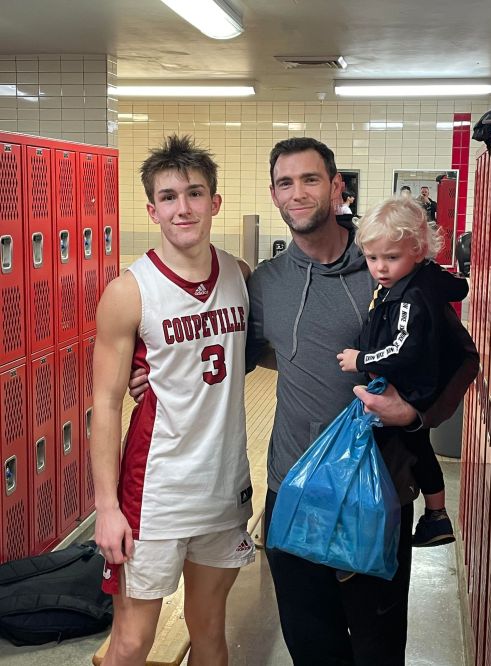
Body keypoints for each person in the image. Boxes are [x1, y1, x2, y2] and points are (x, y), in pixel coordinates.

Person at [130, 137, 478, 665]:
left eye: (311, 179)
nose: (298, 193)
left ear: (337, 187)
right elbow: (241, 355)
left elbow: (462, 359)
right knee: (312, 649)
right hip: (293, 488)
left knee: (377, 652)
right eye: (285, 183)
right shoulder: (267, 283)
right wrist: (152, 372)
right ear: (273, 194)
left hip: (375, 491)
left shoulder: (388, 265)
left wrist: (415, 414)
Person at [90, 134, 255, 666]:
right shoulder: (129, 291)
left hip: (223, 487)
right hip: (155, 493)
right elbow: (105, 404)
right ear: (152, 210)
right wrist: (106, 508)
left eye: (194, 193)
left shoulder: (239, 275)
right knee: (132, 641)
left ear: (215, 202)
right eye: (168, 197)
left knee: (209, 633)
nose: (182, 208)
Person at [337, 196, 478, 551]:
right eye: (372, 258)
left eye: (391, 257)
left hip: (411, 388)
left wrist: (362, 359)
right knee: (417, 447)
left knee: (383, 450)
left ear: (417, 251)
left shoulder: (410, 296)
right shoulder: (420, 279)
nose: (380, 268)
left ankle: (369, 531)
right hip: (417, 383)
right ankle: (435, 515)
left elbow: (402, 348)